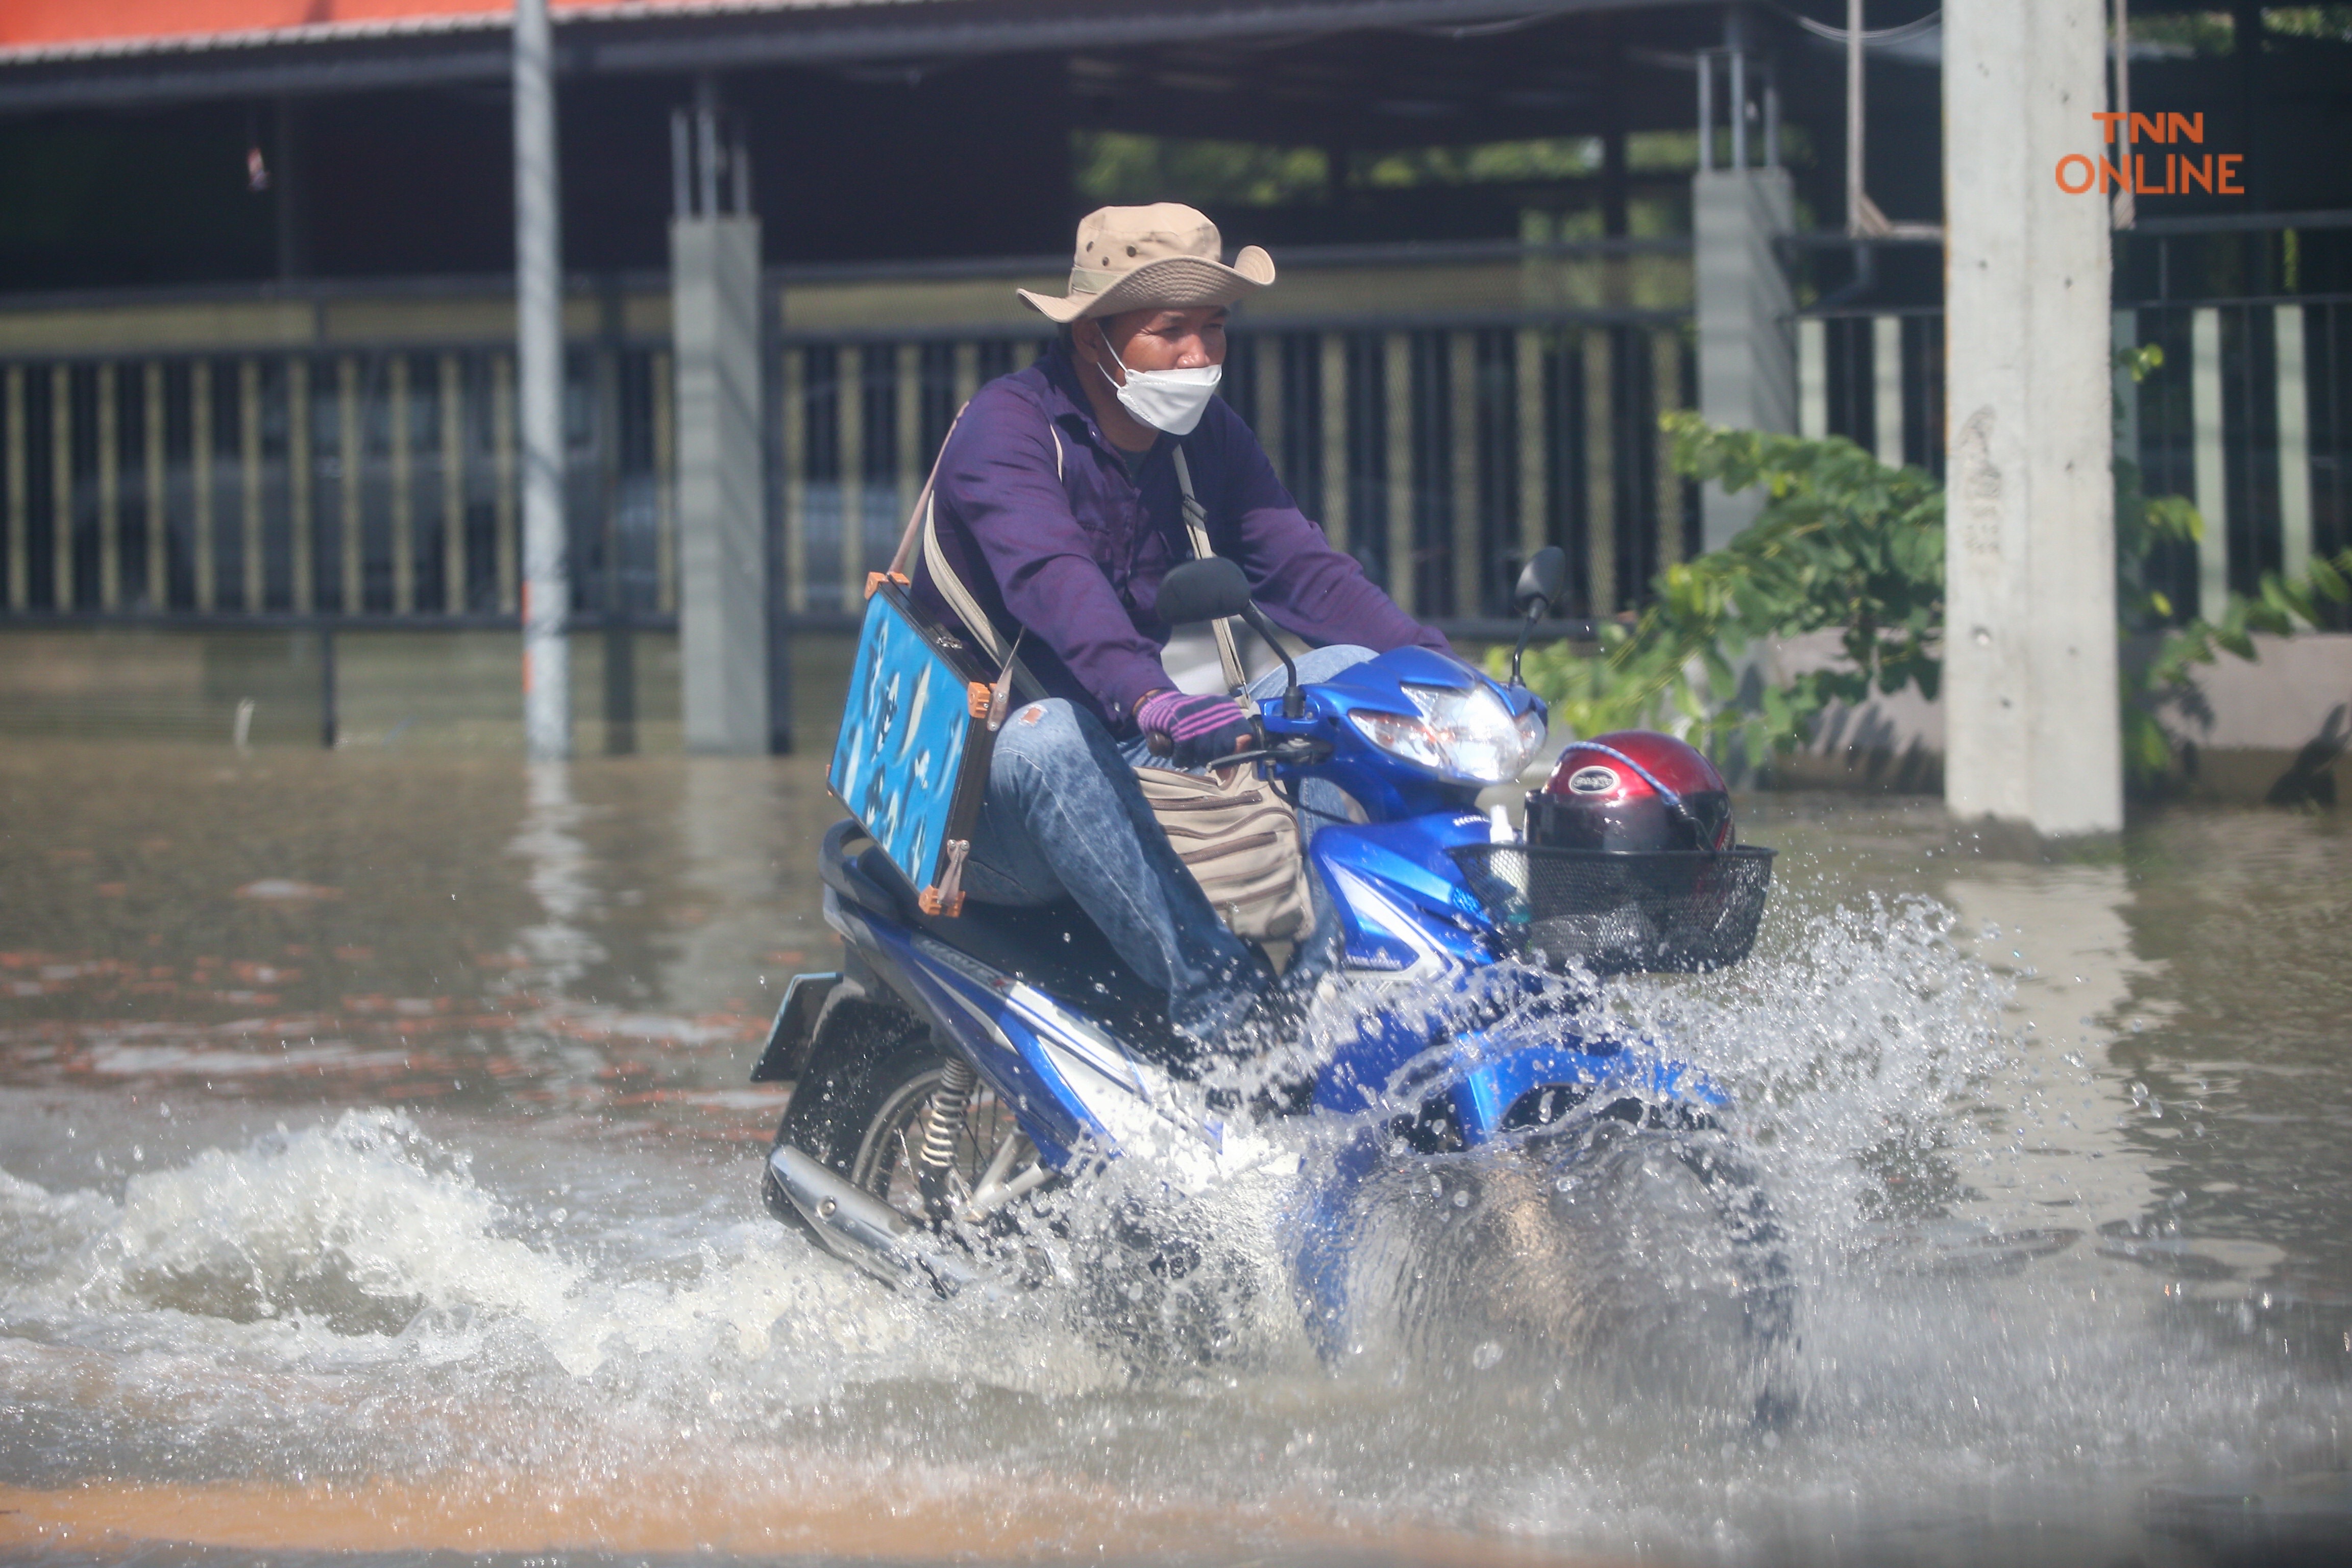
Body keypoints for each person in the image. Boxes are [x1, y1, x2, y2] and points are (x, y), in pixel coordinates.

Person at [910, 203, 1451, 1049]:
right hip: (978, 789)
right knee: (1048, 737)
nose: (1200, 357)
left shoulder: (1206, 440)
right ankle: (1225, 1015)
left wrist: (1445, 676)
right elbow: (1056, 581)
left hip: (1131, 742)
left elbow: (1306, 571)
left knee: (1348, 672)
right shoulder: (1006, 430)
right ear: (1095, 338)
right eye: (1171, 332)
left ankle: (1329, 992)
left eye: (1214, 329)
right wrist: (1151, 696)